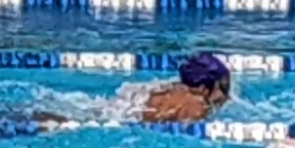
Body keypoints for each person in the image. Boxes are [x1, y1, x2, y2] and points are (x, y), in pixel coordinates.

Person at [32, 52, 231, 124]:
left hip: (119, 110)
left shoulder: (172, 87)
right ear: (203, 88)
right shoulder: (195, 105)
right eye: (222, 87)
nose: (226, 95)